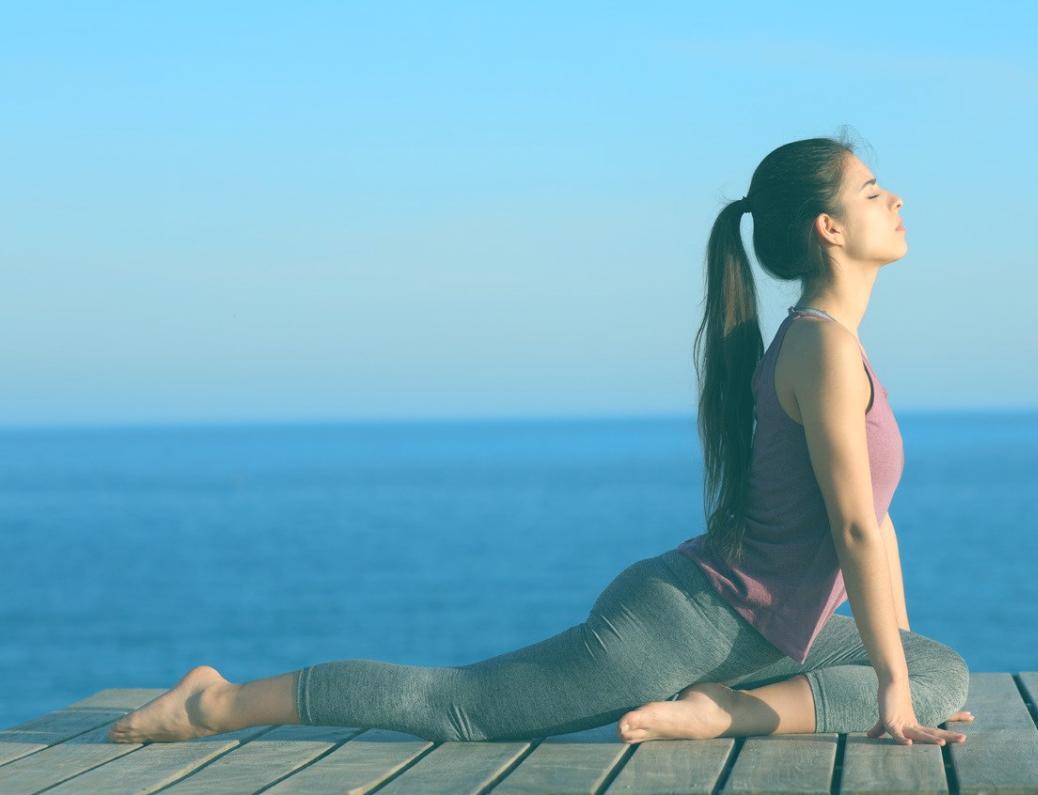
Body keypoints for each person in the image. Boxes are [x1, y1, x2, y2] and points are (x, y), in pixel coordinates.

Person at [108, 133, 972, 748]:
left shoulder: (837, 344)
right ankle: (214, 702)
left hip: (761, 636)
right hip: (684, 626)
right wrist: (882, 689)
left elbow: (877, 522)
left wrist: (892, 668)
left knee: (940, 671)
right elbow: (854, 530)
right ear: (827, 227)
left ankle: (717, 713)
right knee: (460, 706)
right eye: (870, 190)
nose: (893, 199)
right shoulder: (819, 342)